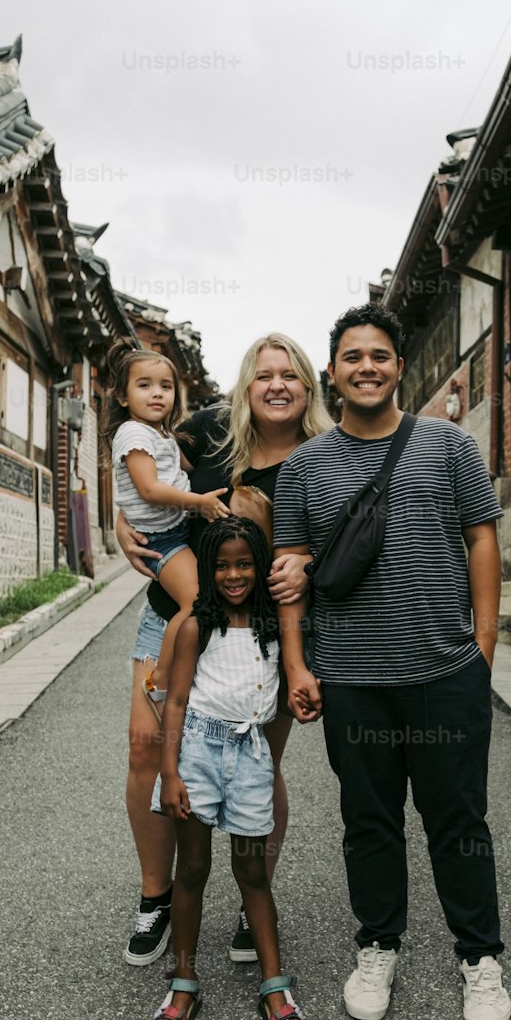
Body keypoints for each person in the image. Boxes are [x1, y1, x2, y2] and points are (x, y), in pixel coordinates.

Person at [273, 302, 511, 1020]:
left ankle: (480, 959)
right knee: (368, 821)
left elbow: (480, 537)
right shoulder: (306, 466)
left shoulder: (448, 447)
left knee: (458, 819)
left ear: (399, 367)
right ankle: (377, 947)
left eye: (379, 355)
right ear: (332, 372)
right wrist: (297, 665)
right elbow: (291, 570)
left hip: (445, 671)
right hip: (351, 676)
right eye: (352, 357)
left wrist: (484, 644)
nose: (366, 367)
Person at [116, 334, 333, 969]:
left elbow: (347, 534)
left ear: (308, 387)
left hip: (265, 629)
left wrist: (310, 565)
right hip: (175, 613)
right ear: (246, 383)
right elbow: (132, 453)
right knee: (146, 746)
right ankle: (157, 894)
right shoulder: (207, 430)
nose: (276, 385)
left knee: (255, 757)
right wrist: (119, 516)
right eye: (263, 374)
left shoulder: (328, 455)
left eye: (289, 374)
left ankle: (250, 894)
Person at [152, 516, 304, 1020]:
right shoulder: (198, 626)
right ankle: (184, 980)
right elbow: (172, 699)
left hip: (251, 755)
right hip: (196, 751)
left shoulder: (273, 626)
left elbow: (283, 690)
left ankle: (274, 984)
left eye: (244, 564)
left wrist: (303, 698)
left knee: (253, 872)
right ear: (208, 570)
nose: (233, 575)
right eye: (221, 565)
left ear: (260, 568)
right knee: (191, 868)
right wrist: (170, 773)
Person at [103, 340, 230, 701]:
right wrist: (199, 503)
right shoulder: (133, 432)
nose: (157, 394)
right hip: (163, 540)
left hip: (171, 533)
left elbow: (177, 470)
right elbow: (150, 489)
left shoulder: (159, 434)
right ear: (124, 397)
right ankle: (160, 677)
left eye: (166, 386)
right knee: (196, 600)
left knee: (197, 600)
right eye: (144, 385)